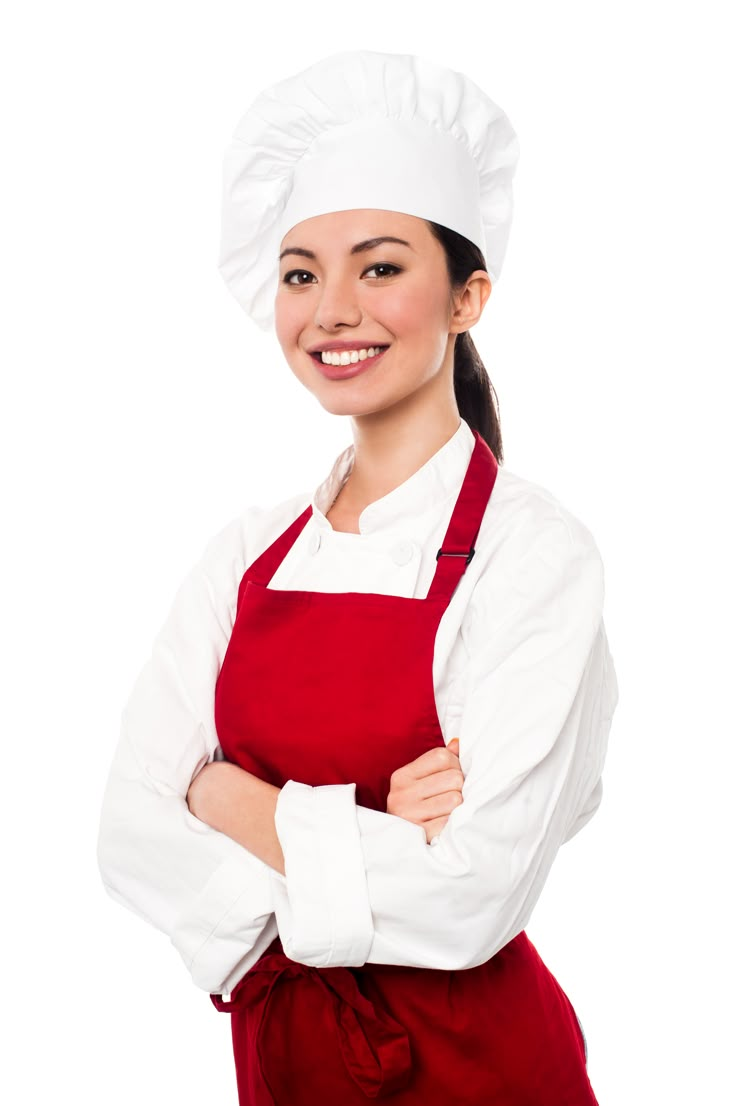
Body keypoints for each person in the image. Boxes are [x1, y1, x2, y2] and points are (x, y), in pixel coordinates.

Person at [97, 49, 618, 1105]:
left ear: (467, 295)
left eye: (379, 266)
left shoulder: (533, 551)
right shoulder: (244, 553)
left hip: (482, 1072)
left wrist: (227, 794)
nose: (332, 308)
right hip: (284, 1063)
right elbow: (127, 832)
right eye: (301, 272)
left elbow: (471, 898)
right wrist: (379, 823)